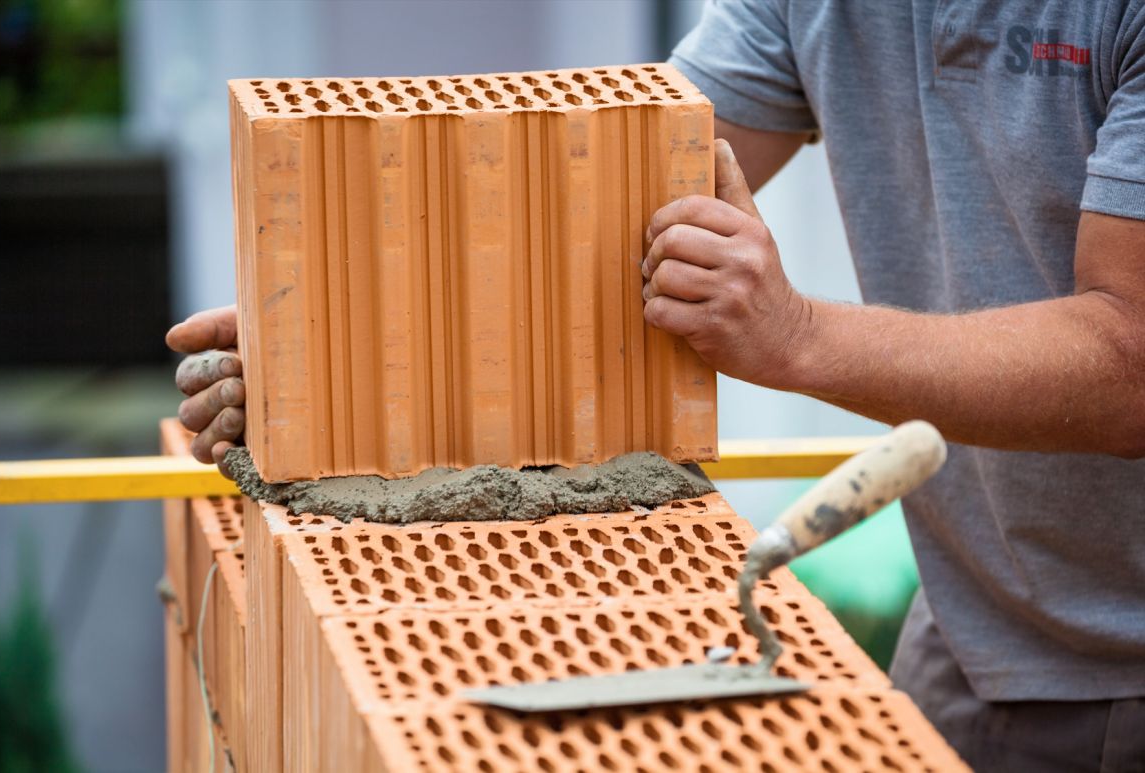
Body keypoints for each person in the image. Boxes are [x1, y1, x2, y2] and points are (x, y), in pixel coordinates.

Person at [169, 2, 1145, 768]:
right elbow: (598, 188)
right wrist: (324, 339)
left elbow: (1130, 362)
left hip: (1121, 650)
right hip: (976, 611)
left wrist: (796, 337)